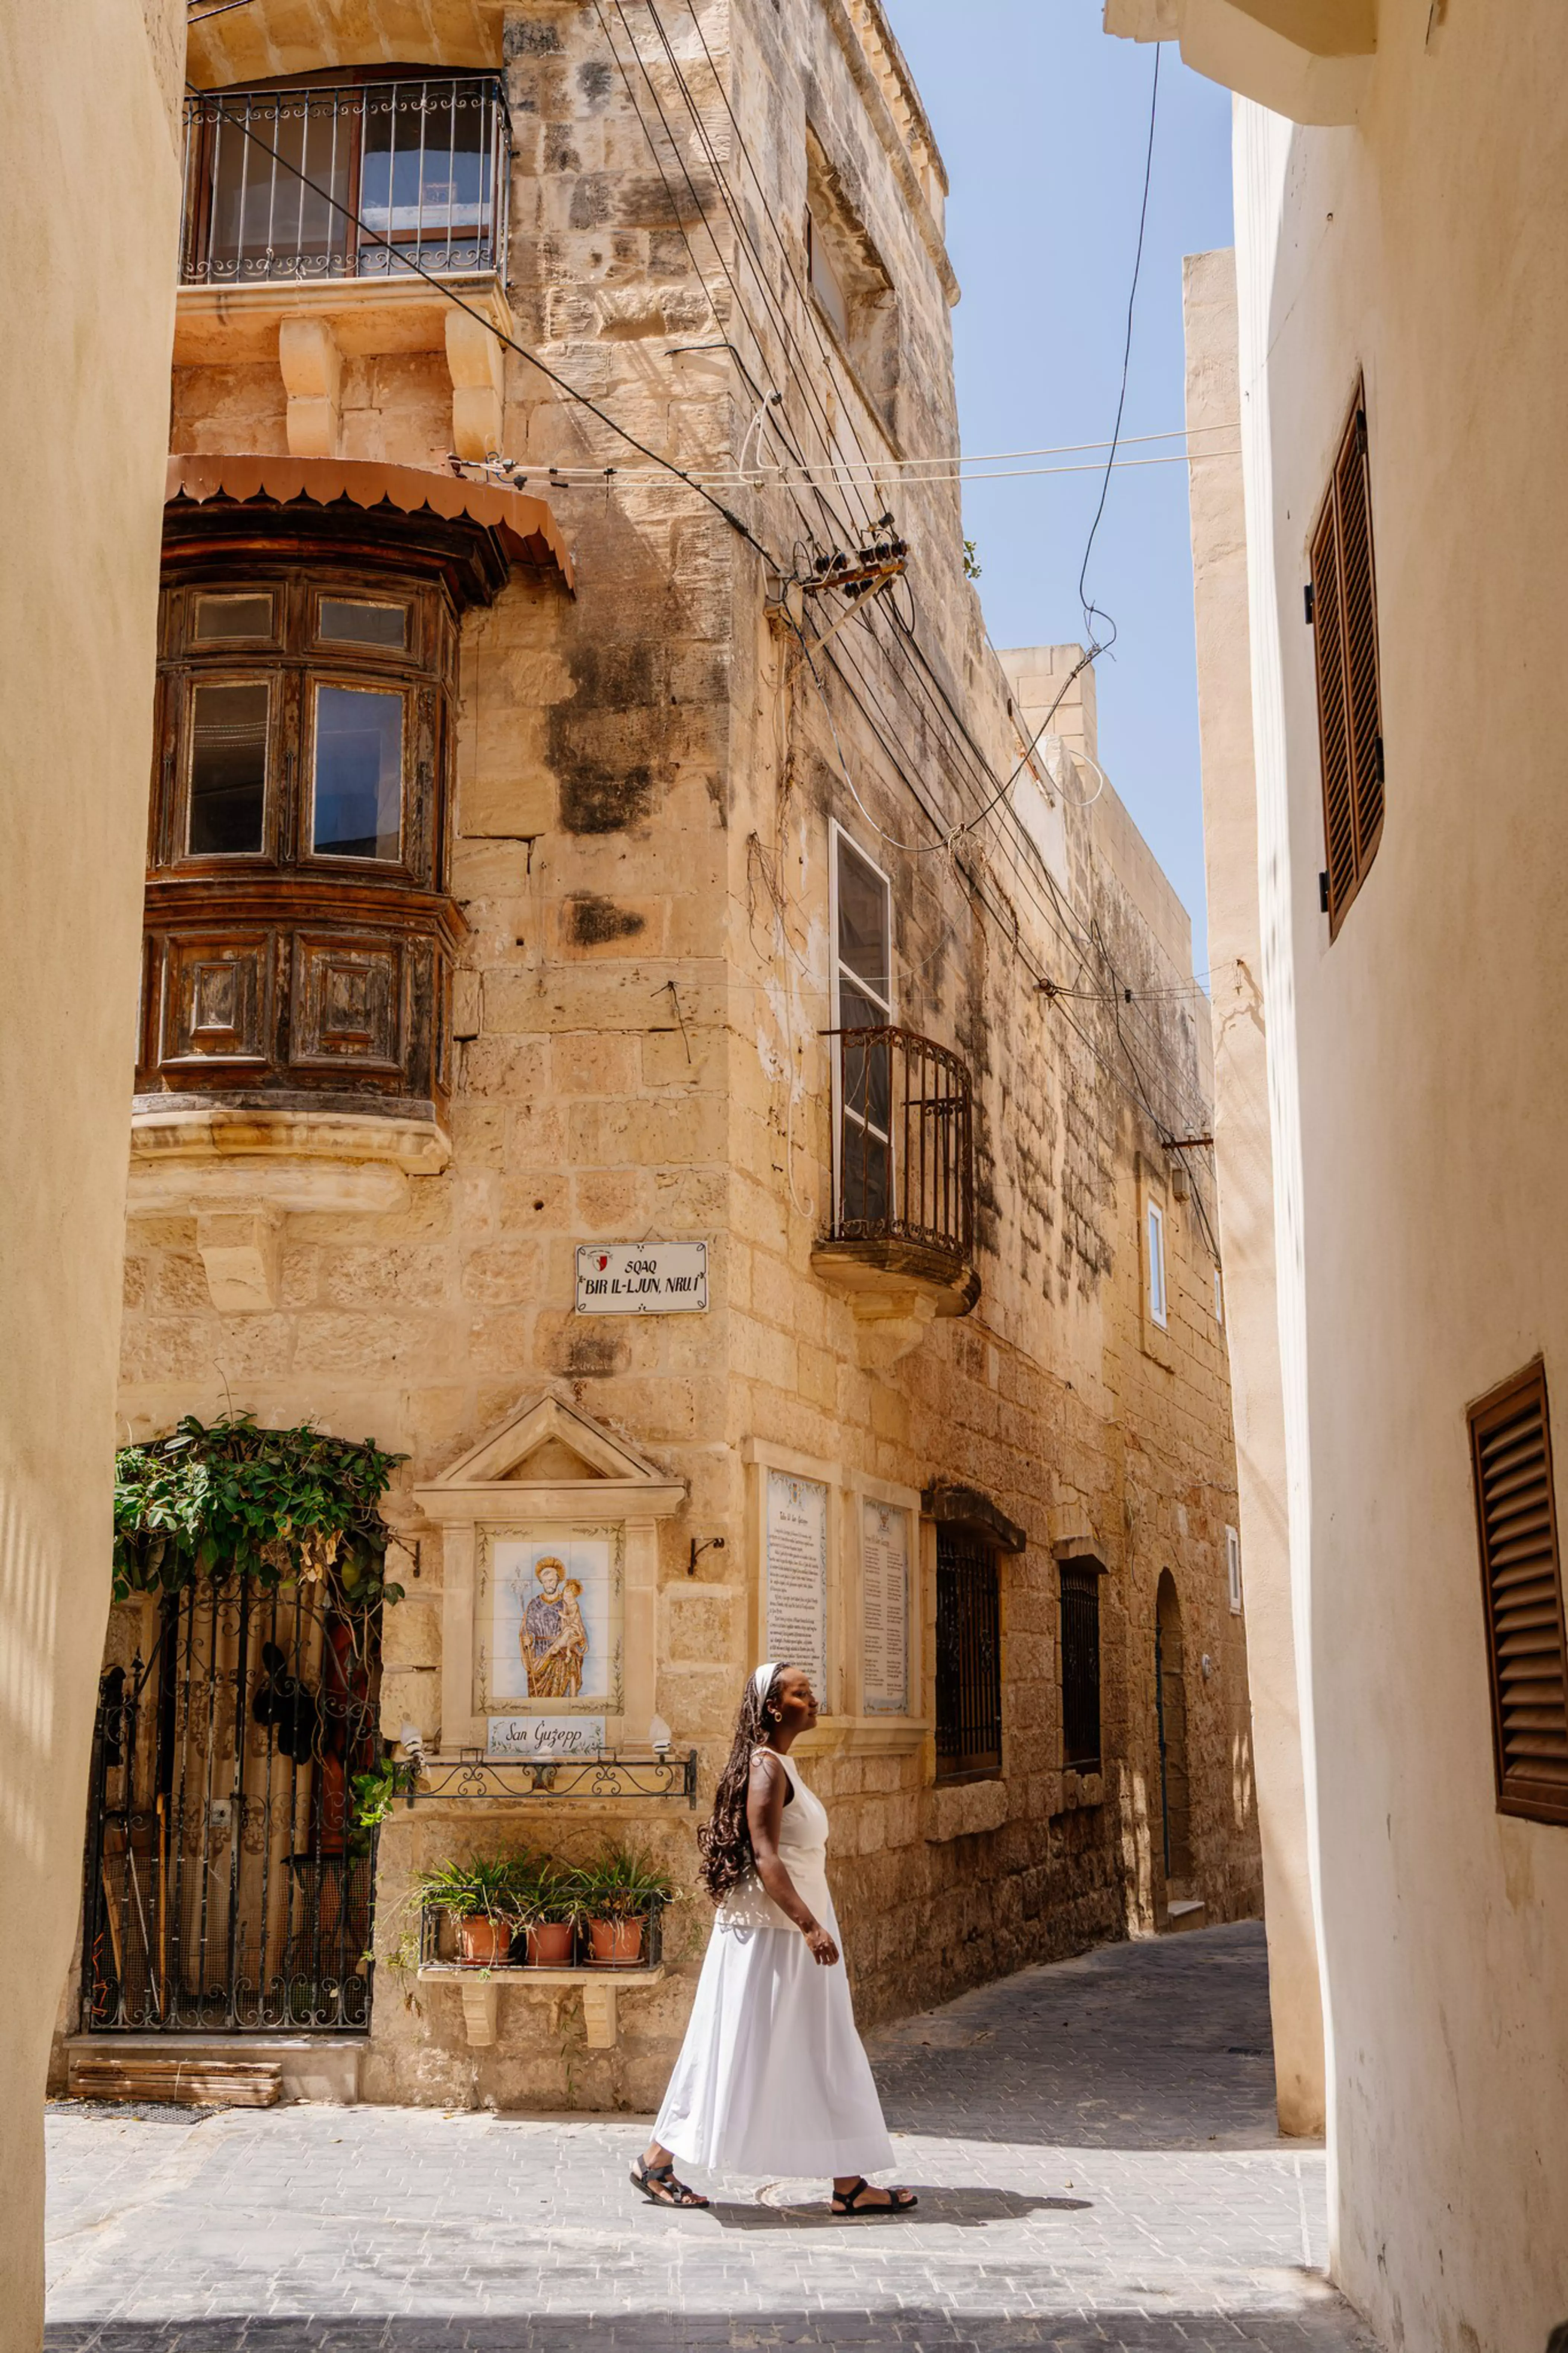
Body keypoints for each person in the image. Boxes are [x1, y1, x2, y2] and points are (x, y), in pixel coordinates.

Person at [632, 1660, 917, 2217]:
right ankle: (655, 2161)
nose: (813, 1699)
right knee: (730, 2046)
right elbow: (764, 1855)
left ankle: (849, 2181)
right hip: (770, 1937)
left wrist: (813, 1924)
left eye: (810, 1691)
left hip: (794, 1932)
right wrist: (809, 1925)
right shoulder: (766, 1769)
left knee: (825, 2045)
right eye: (801, 1692)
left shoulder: (782, 1763)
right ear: (771, 1706)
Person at [519, 1556, 586, 1698]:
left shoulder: (567, 1602)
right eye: (546, 1581)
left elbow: (579, 1631)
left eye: (552, 1581)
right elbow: (528, 1629)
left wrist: (570, 1639)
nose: (549, 1584)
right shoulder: (534, 1605)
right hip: (541, 1658)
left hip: (562, 1660)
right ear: (542, 1582)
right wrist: (528, 1639)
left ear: (558, 1580)